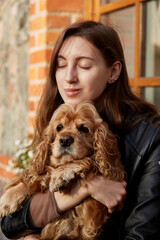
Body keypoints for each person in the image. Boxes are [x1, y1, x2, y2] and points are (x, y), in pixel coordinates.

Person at [1, 20, 160, 240]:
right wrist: (85, 187)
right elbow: (10, 222)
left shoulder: (150, 137)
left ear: (113, 72)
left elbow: (141, 235)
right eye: (61, 64)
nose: (69, 77)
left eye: (84, 65)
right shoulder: (57, 118)